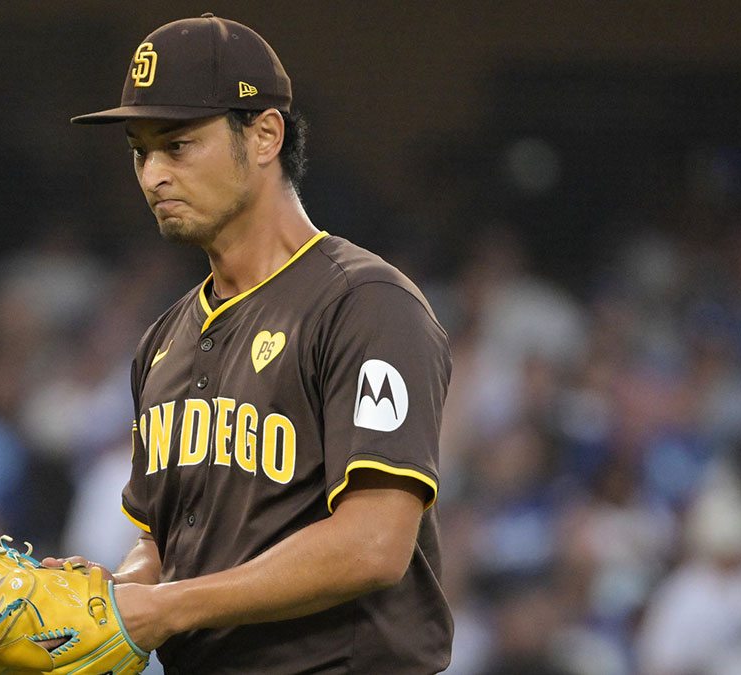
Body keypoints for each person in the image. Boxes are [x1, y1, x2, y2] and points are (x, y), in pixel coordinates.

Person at [59, 14, 453, 674]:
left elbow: (375, 543)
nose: (152, 174)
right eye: (139, 149)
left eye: (177, 144)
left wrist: (169, 607)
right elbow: (168, 547)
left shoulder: (364, 304)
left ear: (266, 133)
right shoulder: (162, 342)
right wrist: (103, 596)